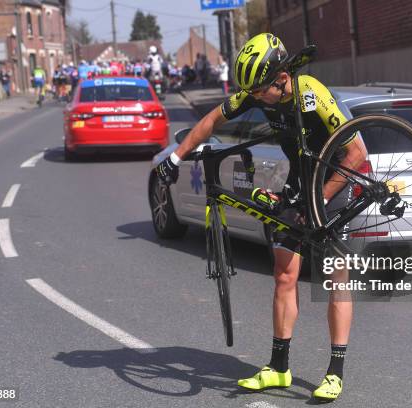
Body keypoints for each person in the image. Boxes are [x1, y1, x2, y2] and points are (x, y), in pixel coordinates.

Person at [155, 33, 368, 401]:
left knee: (335, 279)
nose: (254, 99)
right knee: (285, 275)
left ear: (281, 79)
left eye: (259, 92)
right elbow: (211, 119)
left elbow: (357, 152)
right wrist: (175, 158)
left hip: (334, 185)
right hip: (301, 184)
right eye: (250, 92)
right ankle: (278, 368)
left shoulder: (310, 93)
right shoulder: (258, 88)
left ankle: (334, 372)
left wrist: (318, 199)